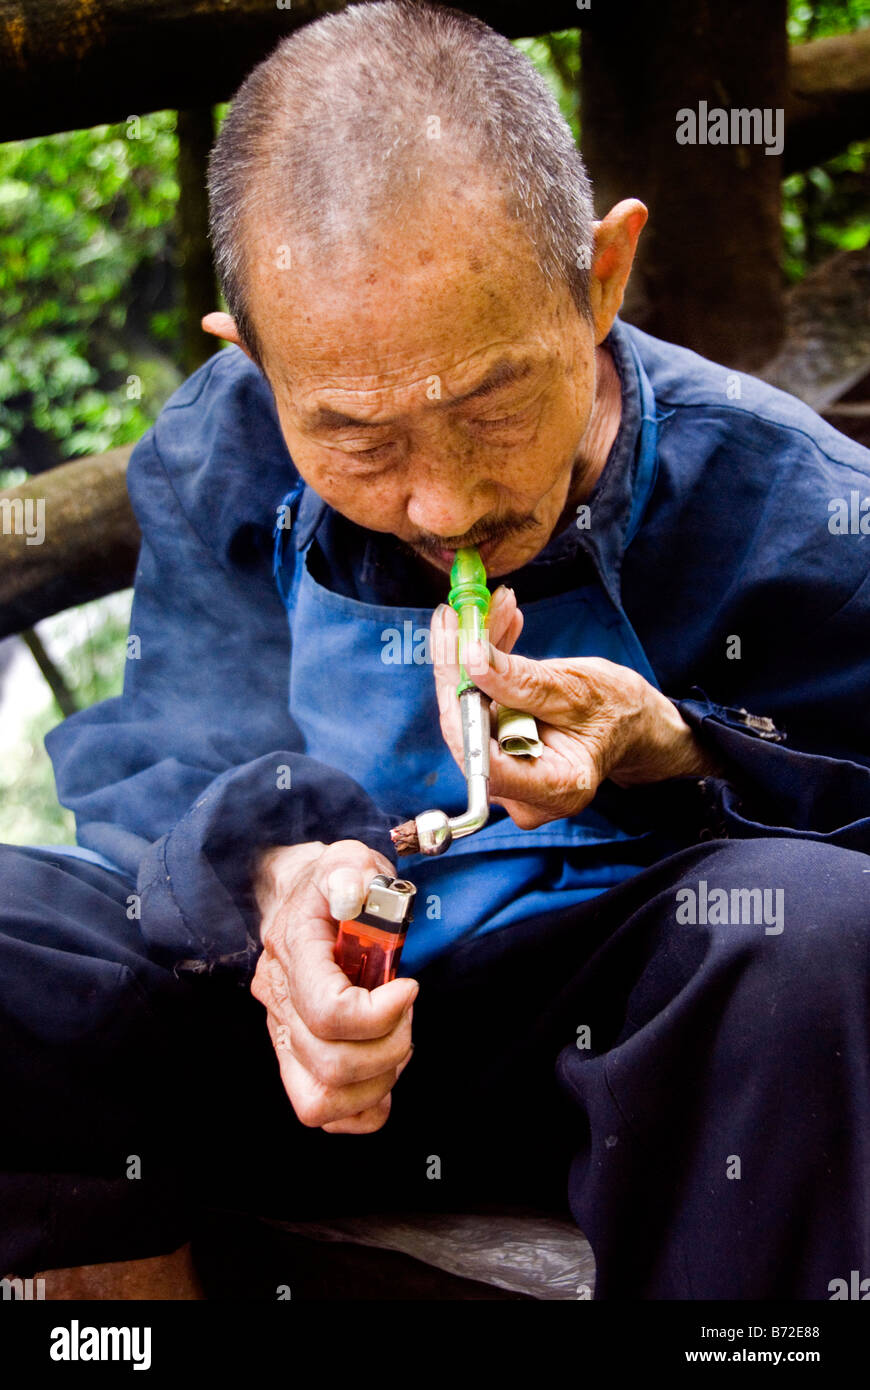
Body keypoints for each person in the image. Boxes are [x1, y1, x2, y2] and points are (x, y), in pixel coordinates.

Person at [3, 0, 869, 1299]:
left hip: (619, 1052)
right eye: (358, 437)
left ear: (601, 276)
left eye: (495, 400)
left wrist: (671, 743)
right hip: (301, 1039)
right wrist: (277, 873)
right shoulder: (224, 448)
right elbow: (163, 759)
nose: (449, 505)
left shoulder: (788, 494)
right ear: (254, 362)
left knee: (811, 937)